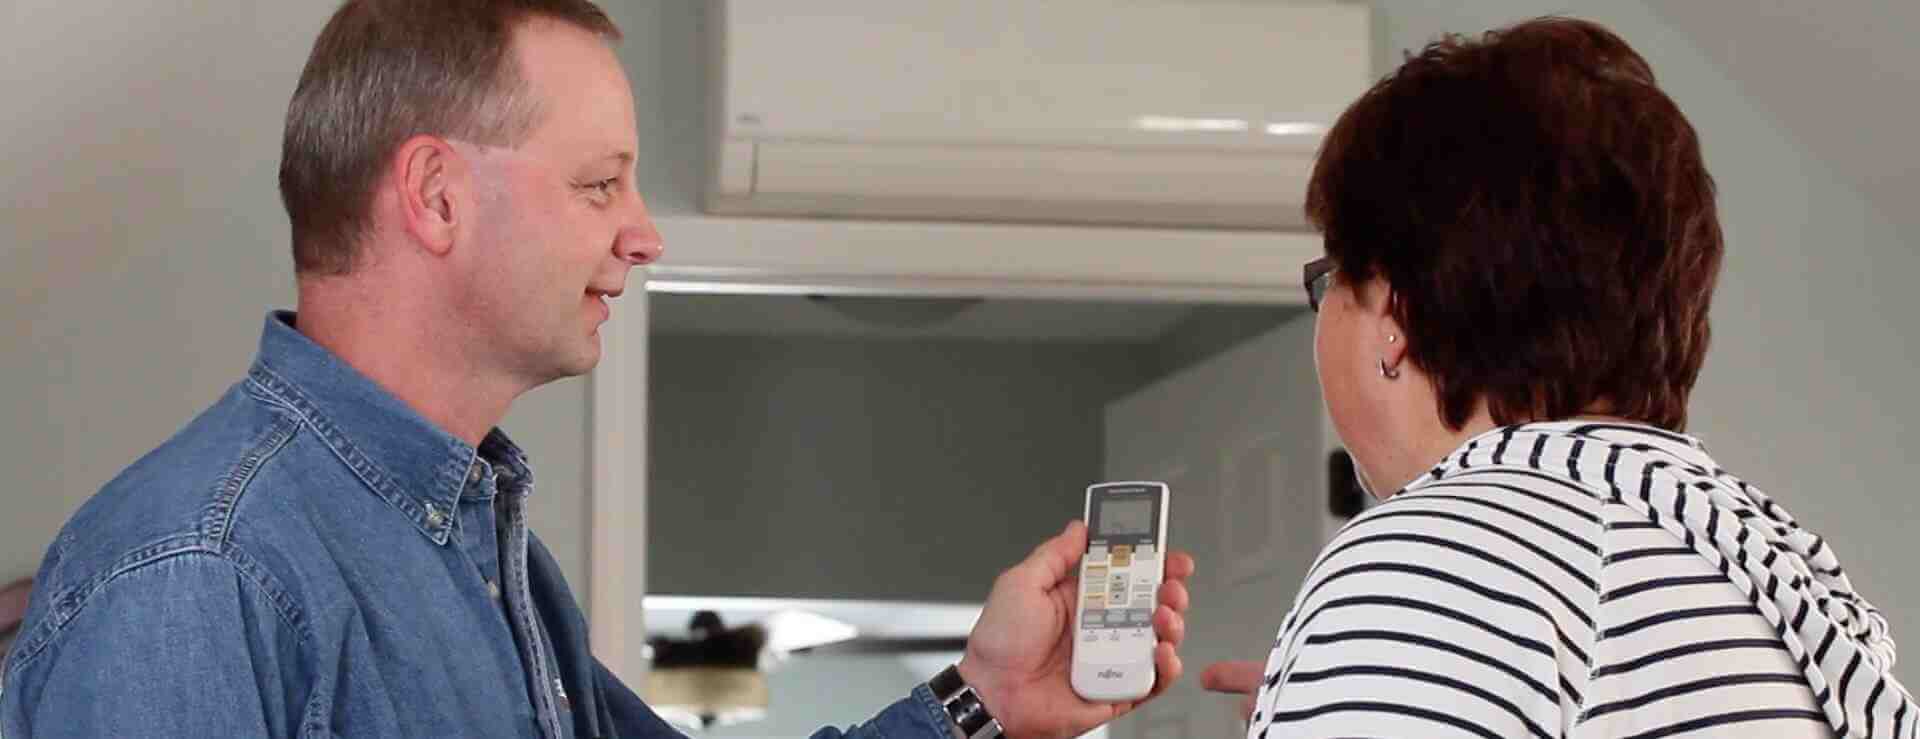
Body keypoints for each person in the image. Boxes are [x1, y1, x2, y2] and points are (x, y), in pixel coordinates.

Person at [0, 2, 1197, 737]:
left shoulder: (484, 553)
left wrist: (982, 697)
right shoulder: (197, 574)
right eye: (596, 183)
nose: (644, 230)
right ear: (434, 196)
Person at [1199, 16, 1914, 739]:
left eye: (1330, 281)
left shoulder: (1437, 572)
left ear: (1395, 314)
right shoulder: (1773, 580)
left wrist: (1386, 647)